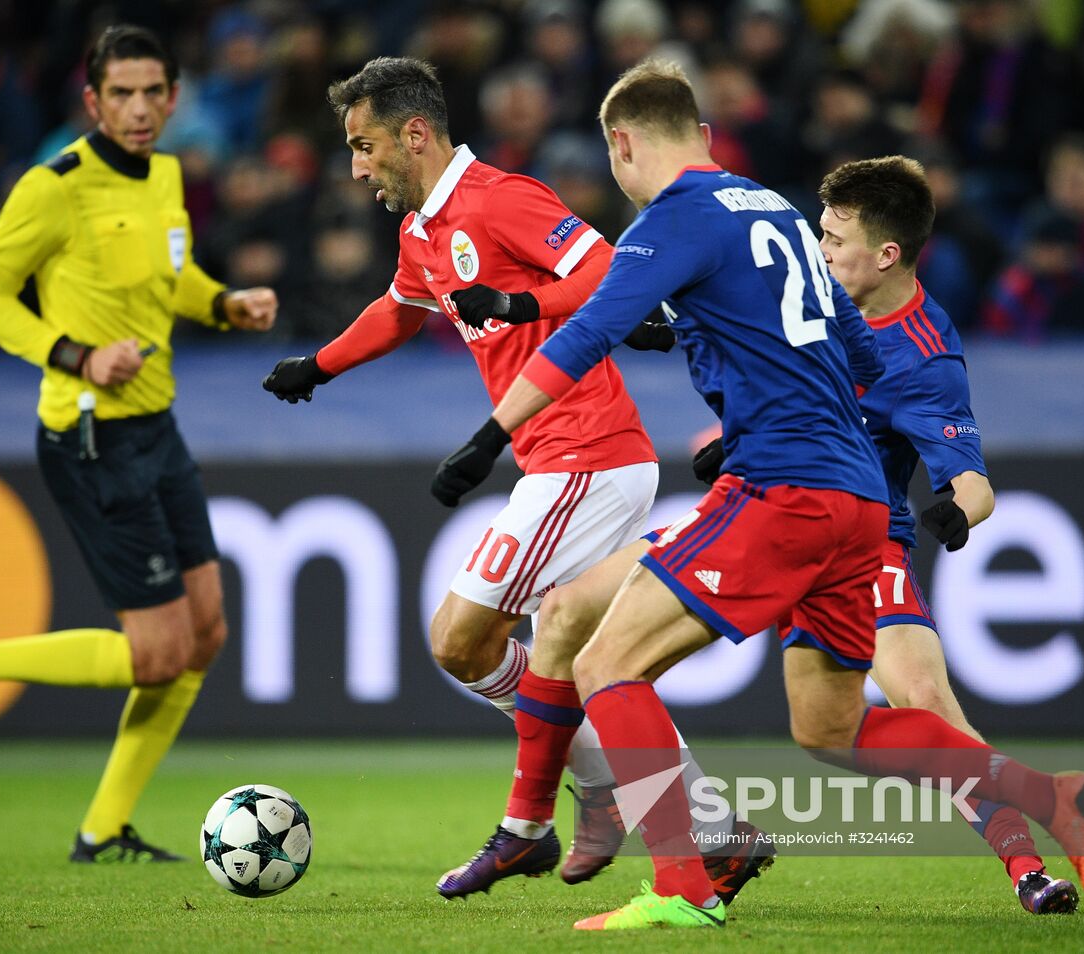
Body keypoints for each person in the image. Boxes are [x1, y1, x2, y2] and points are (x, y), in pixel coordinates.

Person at [436, 58, 1084, 931]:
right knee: (829, 731)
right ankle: (1055, 798)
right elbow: (862, 354)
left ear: (622, 145)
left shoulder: (673, 218)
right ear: (708, 136)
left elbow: (592, 331)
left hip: (782, 488)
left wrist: (488, 438)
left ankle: (685, 884)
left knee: (605, 664)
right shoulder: (774, 209)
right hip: (856, 504)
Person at [259, 56, 757, 897]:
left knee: (461, 640)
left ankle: (566, 815)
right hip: (558, 460)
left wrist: (525, 306)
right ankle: (702, 824)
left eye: (364, 145)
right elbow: (402, 307)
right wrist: (321, 365)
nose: (356, 168)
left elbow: (607, 275)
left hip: (588, 454)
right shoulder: (422, 231)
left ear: (415, 135)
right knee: (566, 651)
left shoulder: (502, 198)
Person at [0, 25, 278, 863]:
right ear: (93, 102)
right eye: (123, 94)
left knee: (205, 633)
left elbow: (168, 276)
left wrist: (223, 305)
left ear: (175, 98)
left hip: (157, 425)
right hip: (88, 434)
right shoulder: (55, 187)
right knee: (158, 653)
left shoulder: (170, 175)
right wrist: (76, 355)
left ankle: (103, 828)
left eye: (154, 93)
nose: (140, 109)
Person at [694, 154, 1077, 914]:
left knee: (925, 702)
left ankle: (1029, 867)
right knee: (593, 634)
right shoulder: (807, 290)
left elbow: (975, 486)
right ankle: (697, 838)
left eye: (834, 240)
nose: (820, 249)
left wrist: (951, 515)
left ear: (887, 254)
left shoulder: (925, 357)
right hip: (763, 516)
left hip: (856, 543)